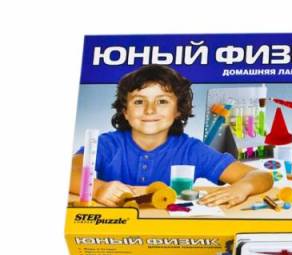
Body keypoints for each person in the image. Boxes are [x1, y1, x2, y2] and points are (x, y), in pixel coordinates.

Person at [69, 64, 273, 207]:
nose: (150, 110)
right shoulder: (106, 144)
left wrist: (242, 188)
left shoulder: (192, 150)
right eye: (139, 101)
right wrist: (98, 188)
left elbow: (261, 176)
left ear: (178, 110)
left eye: (162, 101)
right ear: (125, 111)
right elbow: (70, 172)